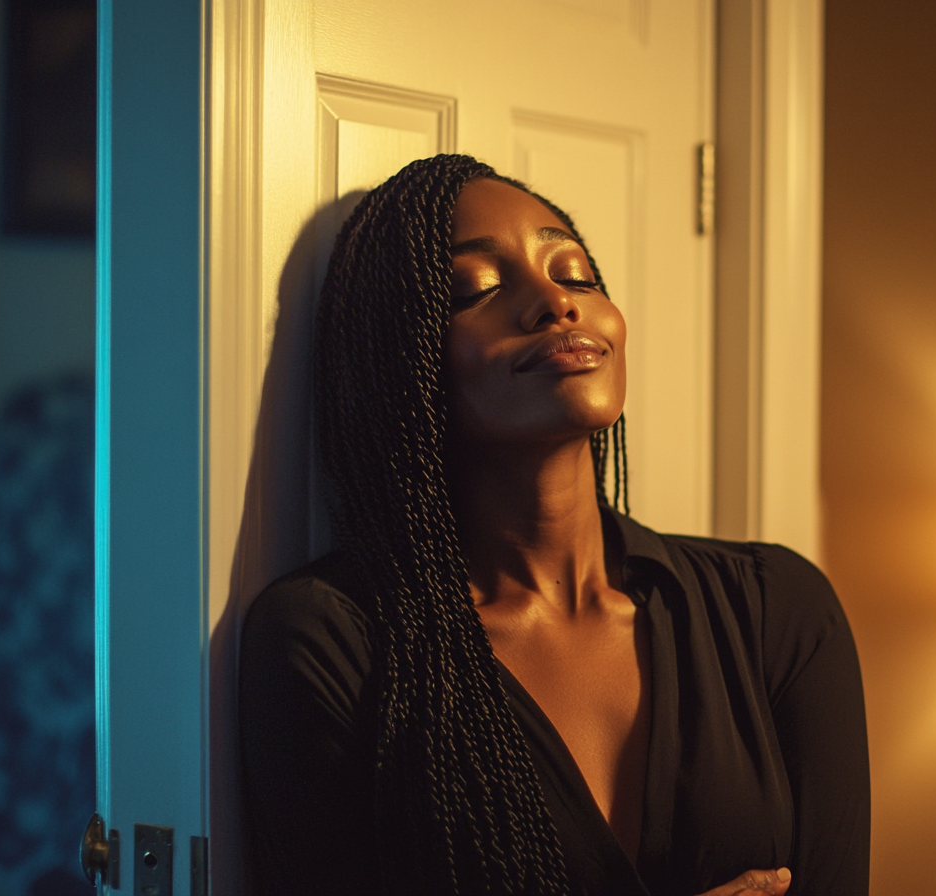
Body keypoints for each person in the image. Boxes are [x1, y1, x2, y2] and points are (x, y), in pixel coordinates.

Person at [239, 154, 870, 896]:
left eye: (575, 275)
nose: (554, 303)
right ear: (401, 360)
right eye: (477, 288)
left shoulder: (774, 611)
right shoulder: (334, 642)